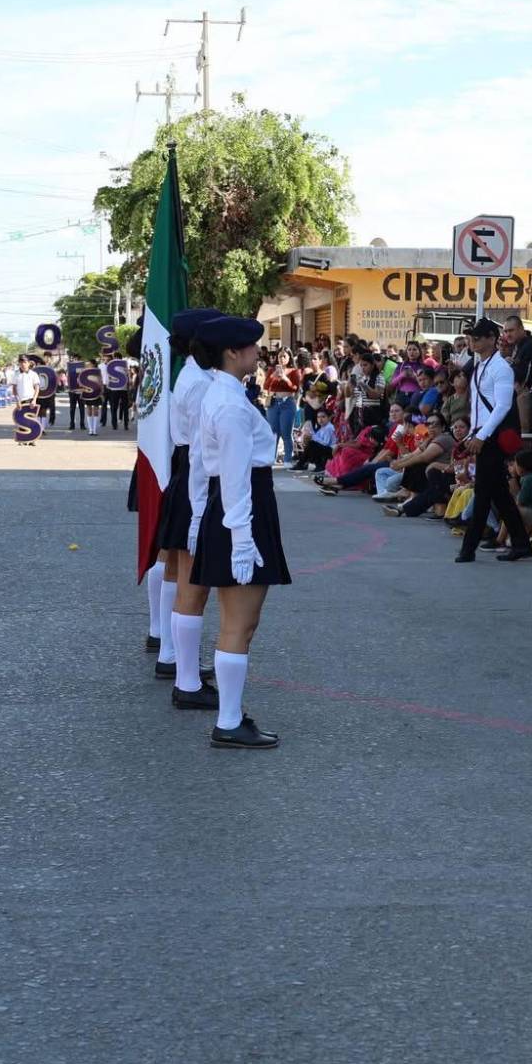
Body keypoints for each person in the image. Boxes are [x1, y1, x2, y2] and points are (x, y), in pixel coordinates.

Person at [188, 316, 289, 749]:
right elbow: (234, 478)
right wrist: (243, 541)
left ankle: (231, 717)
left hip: (235, 509)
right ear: (233, 352)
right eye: (251, 346)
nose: (256, 352)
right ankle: (228, 721)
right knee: (239, 622)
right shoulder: (228, 404)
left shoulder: (225, 394)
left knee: (241, 623)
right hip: (240, 510)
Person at [153, 308, 222, 687]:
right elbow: (198, 449)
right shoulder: (200, 382)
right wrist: (200, 510)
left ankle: (172, 654)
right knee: (190, 581)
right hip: (195, 477)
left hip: (187, 473)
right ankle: (181, 667)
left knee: (181, 572)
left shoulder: (197, 375)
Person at [455, 318, 532, 563]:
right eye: (472, 338)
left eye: (478, 337)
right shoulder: (480, 366)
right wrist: (471, 435)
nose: (473, 342)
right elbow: (478, 407)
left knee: (483, 494)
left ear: (491, 338)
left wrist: (480, 435)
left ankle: (468, 549)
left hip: (492, 438)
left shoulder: (500, 368)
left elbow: (502, 407)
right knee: (499, 493)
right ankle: (521, 544)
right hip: (482, 434)